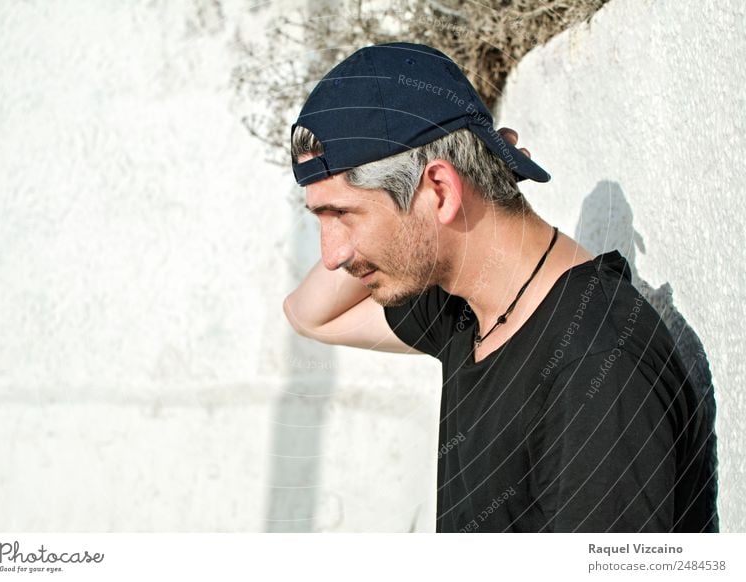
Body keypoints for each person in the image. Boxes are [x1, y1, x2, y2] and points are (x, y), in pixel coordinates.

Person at [283, 42, 717, 532]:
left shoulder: (595, 363)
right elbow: (308, 314)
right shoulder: (467, 312)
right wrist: (477, 164)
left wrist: (475, 160)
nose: (332, 254)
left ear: (441, 190)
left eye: (342, 214)